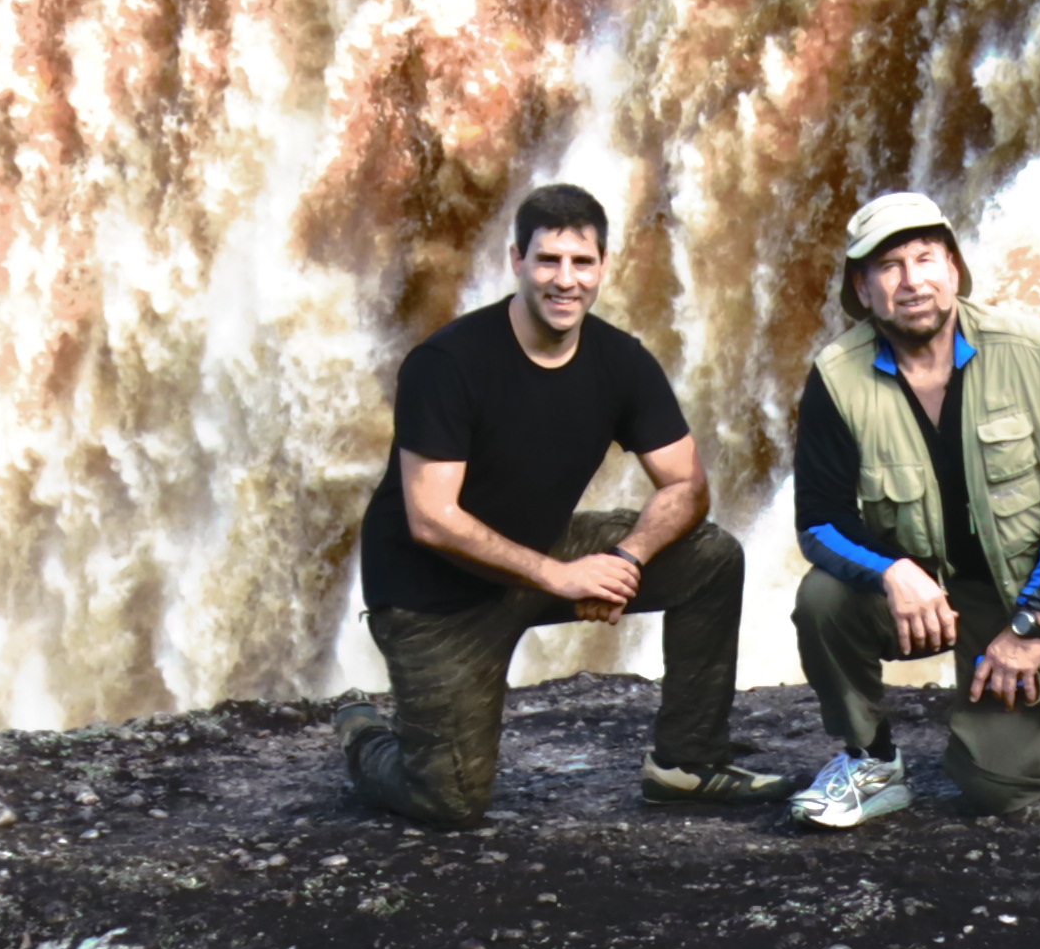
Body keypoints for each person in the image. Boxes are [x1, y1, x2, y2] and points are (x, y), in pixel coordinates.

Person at [335, 184, 792, 828]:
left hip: (539, 552)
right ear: (517, 260)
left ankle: (687, 764)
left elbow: (687, 485)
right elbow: (431, 518)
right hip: (432, 598)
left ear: (603, 266)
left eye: (581, 262)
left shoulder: (620, 360)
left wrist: (627, 560)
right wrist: (560, 576)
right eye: (548, 260)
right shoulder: (447, 363)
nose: (565, 280)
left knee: (711, 557)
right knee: (449, 800)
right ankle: (363, 735)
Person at [786, 188, 1040, 826]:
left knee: (995, 789)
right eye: (889, 267)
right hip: (930, 597)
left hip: (1027, 595)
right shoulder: (837, 377)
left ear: (953, 268)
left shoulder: (1025, 348)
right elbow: (819, 520)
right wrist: (893, 571)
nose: (912, 281)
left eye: (926, 258)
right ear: (863, 289)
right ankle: (871, 762)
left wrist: (1031, 624)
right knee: (822, 597)